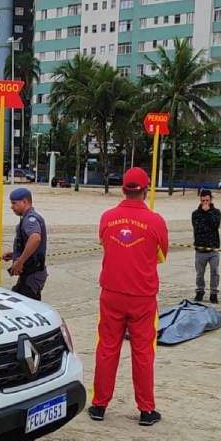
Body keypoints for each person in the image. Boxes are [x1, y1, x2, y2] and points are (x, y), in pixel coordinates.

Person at [89, 167, 169, 427]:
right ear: (146, 190)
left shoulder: (106, 217)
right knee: (143, 352)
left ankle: (99, 405)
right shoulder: (156, 221)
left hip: (111, 293)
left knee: (107, 349)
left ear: (123, 188)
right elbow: (161, 255)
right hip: (142, 296)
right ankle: (146, 410)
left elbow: (105, 244)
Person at [1, 187, 47, 300]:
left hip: (32, 274)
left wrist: (20, 261)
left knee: (27, 308)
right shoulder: (27, 218)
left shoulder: (30, 219)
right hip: (29, 274)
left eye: (14, 203)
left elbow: (35, 238)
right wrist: (14, 255)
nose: (12, 207)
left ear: (25, 202)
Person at [191, 189, 221, 303]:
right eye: (203, 200)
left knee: (215, 272)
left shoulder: (216, 212)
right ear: (200, 200)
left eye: (207, 200)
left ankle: (214, 293)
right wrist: (203, 213)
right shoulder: (195, 213)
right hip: (200, 249)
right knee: (200, 274)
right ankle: (200, 292)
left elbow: (215, 225)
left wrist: (208, 212)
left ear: (210, 199)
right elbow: (198, 227)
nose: (205, 202)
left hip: (213, 249)